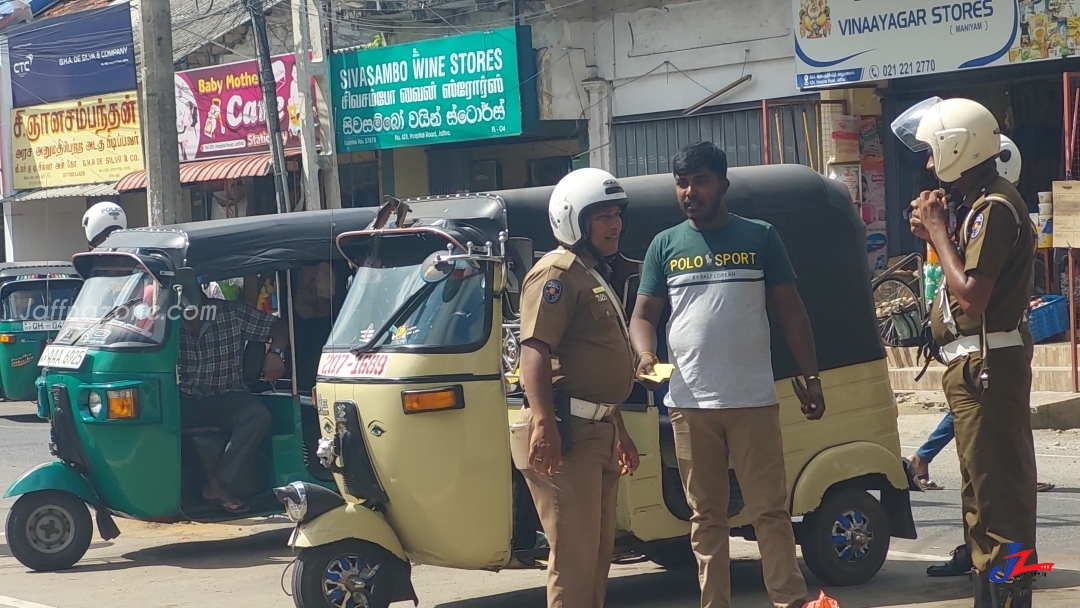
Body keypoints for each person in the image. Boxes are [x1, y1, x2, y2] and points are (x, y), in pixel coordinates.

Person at [629, 142, 823, 608]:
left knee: (769, 512)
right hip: (689, 405)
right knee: (706, 516)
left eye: (700, 181)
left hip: (753, 400)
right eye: (682, 183)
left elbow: (792, 312)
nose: (689, 191)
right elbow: (643, 316)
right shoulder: (665, 245)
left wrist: (811, 377)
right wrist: (644, 353)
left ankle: (789, 600)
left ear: (723, 184)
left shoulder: (760, 236)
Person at [894, 97, 1038, 607]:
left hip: (988, 368)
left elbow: (973, 295)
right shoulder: (982, 205)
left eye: (934, 153)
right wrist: (939, 233)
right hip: (977, 366)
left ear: (958, 146)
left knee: (999, 499)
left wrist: (938, 230)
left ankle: (1011, 596)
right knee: (981, 496)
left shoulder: (995, 208)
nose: (930, 165)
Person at [514, 167, 640, 608]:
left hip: (598, 431)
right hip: (567, 435)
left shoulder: (592, 272)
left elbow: (593, 363)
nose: (615, 224)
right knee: (573, 559)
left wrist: (618, 429)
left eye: (616, 214)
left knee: (599, 556)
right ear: (573, 220)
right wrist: (544, 423)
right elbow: (534, 349)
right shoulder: (557, 273)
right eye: (602, 215)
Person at [179, 286, 290, 514]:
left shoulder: (232, 313)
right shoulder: (165, 324)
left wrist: (275, 353)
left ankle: (219, 485)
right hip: (184, 399)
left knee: (257, 416)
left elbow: (278, 326)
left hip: (228, 396)